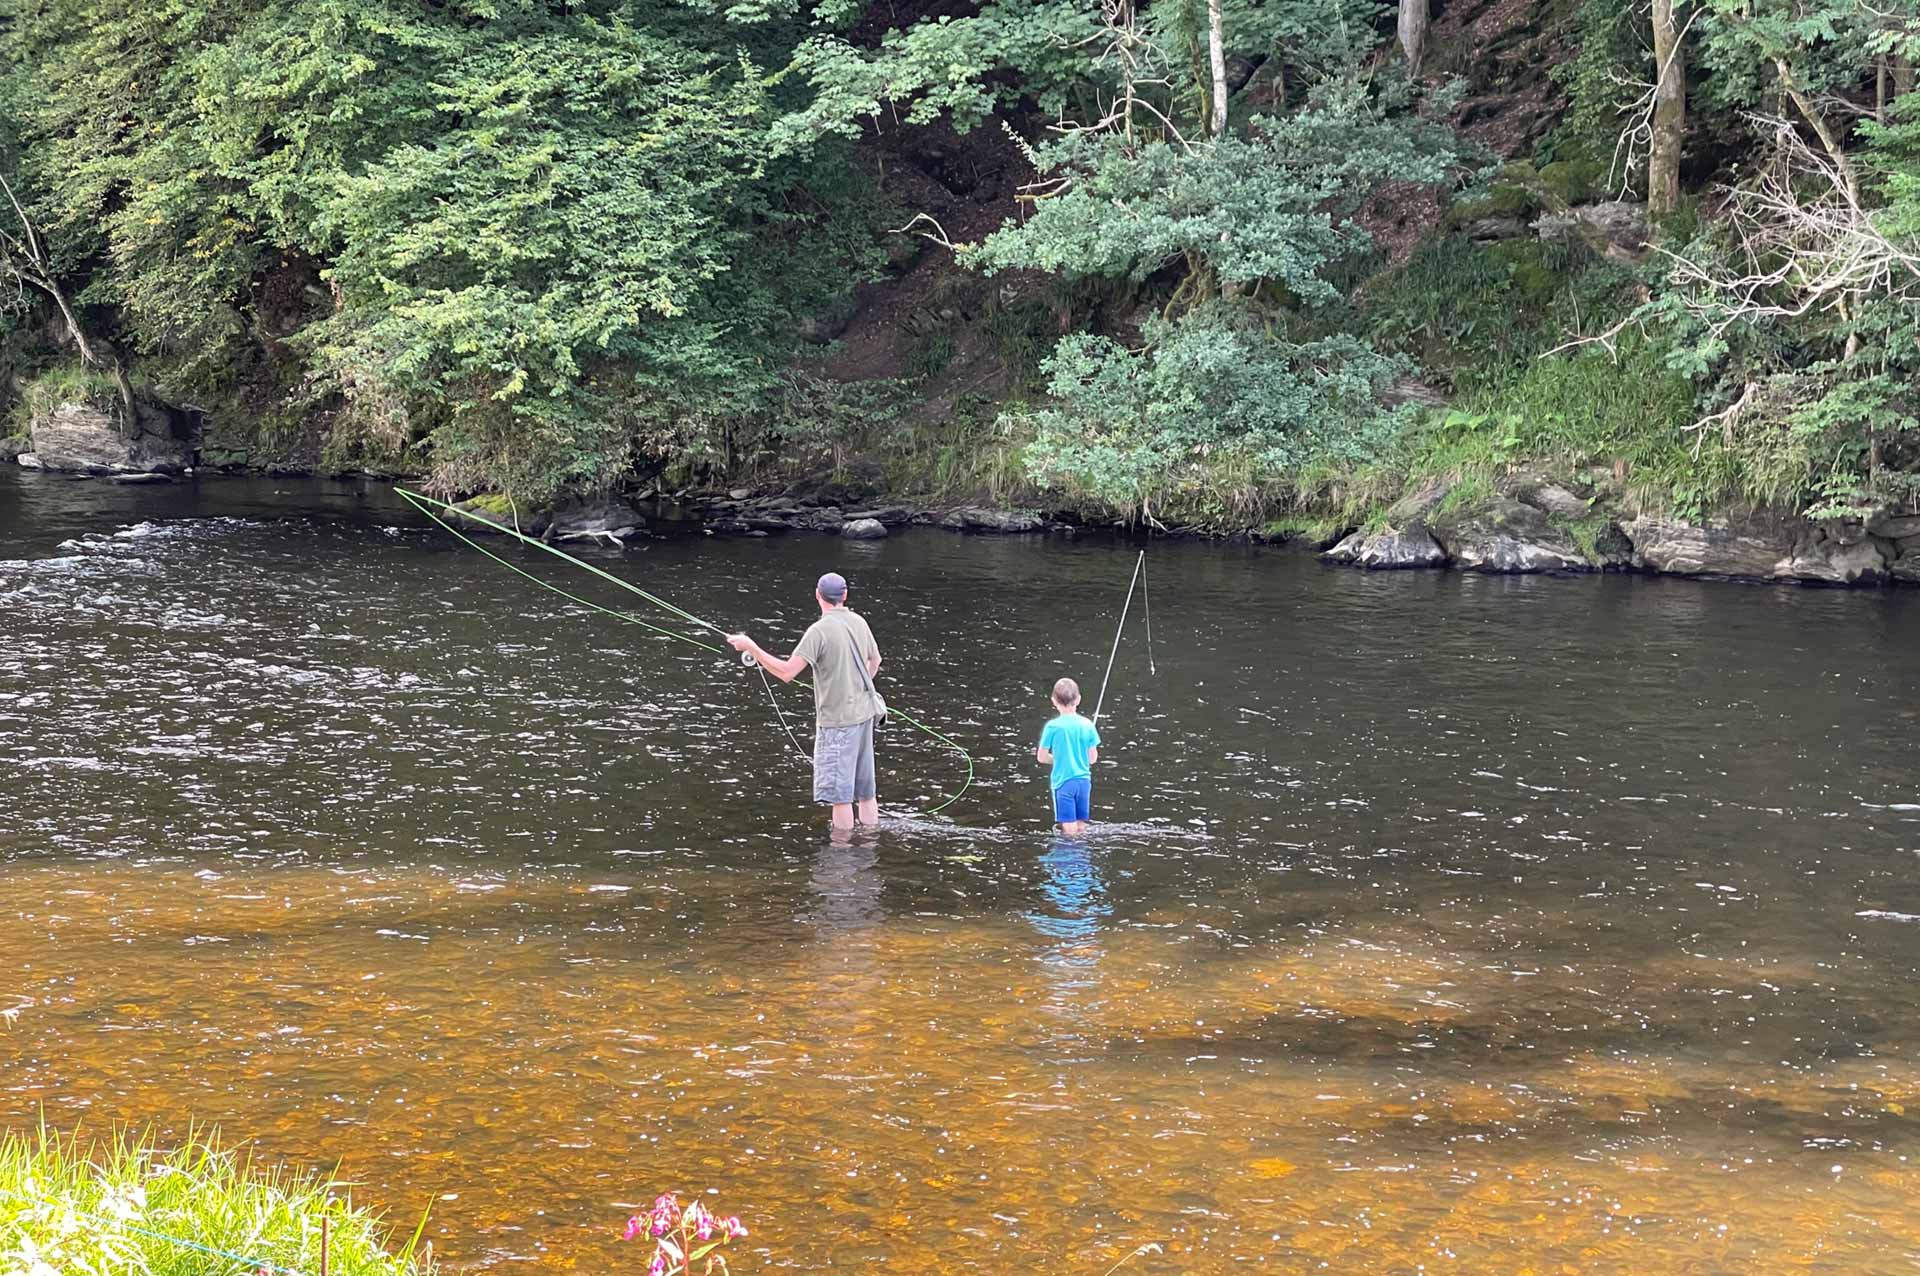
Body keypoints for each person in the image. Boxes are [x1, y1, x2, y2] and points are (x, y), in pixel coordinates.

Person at [728, 572, 883, 831]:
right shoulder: (859, 621)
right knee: (866, 793)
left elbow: (787, 672)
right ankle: (870, 845)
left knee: (840, 798)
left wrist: (751, 647)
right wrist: (854, 687)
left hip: (837, 724)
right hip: (864, 716)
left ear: (817, 596)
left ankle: (841, 859)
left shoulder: (818, 631)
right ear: (844, 596)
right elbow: (875, 662)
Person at [1036, 676, 1100, 837]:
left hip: (1063, 783)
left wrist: (1057, 759)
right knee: (1080, 826)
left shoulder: (1052, 727)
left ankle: (1070, 858)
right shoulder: (1088, 725)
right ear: (1078, 699)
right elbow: (1092, 759)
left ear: (1053, 701)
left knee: (1068, 830)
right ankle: (1082, 859)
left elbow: (1041, 757)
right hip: (1084, 782)